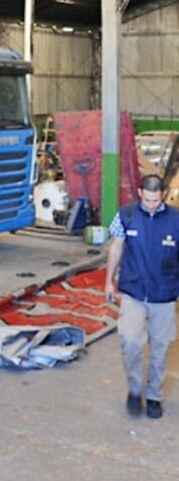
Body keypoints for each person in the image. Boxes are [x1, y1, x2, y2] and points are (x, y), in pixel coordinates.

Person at [105, 174, 179, 419]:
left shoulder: (176, 220)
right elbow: (116, 247)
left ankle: (155, 396)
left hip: (164, 296)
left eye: (155, 201)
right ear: (140, 193)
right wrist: (108, 281)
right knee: (130, 343)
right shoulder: (126, 216)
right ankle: (135, 389)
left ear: (163, 195)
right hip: (134, 292)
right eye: (147, 200)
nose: (150, 205)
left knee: (159, 348)